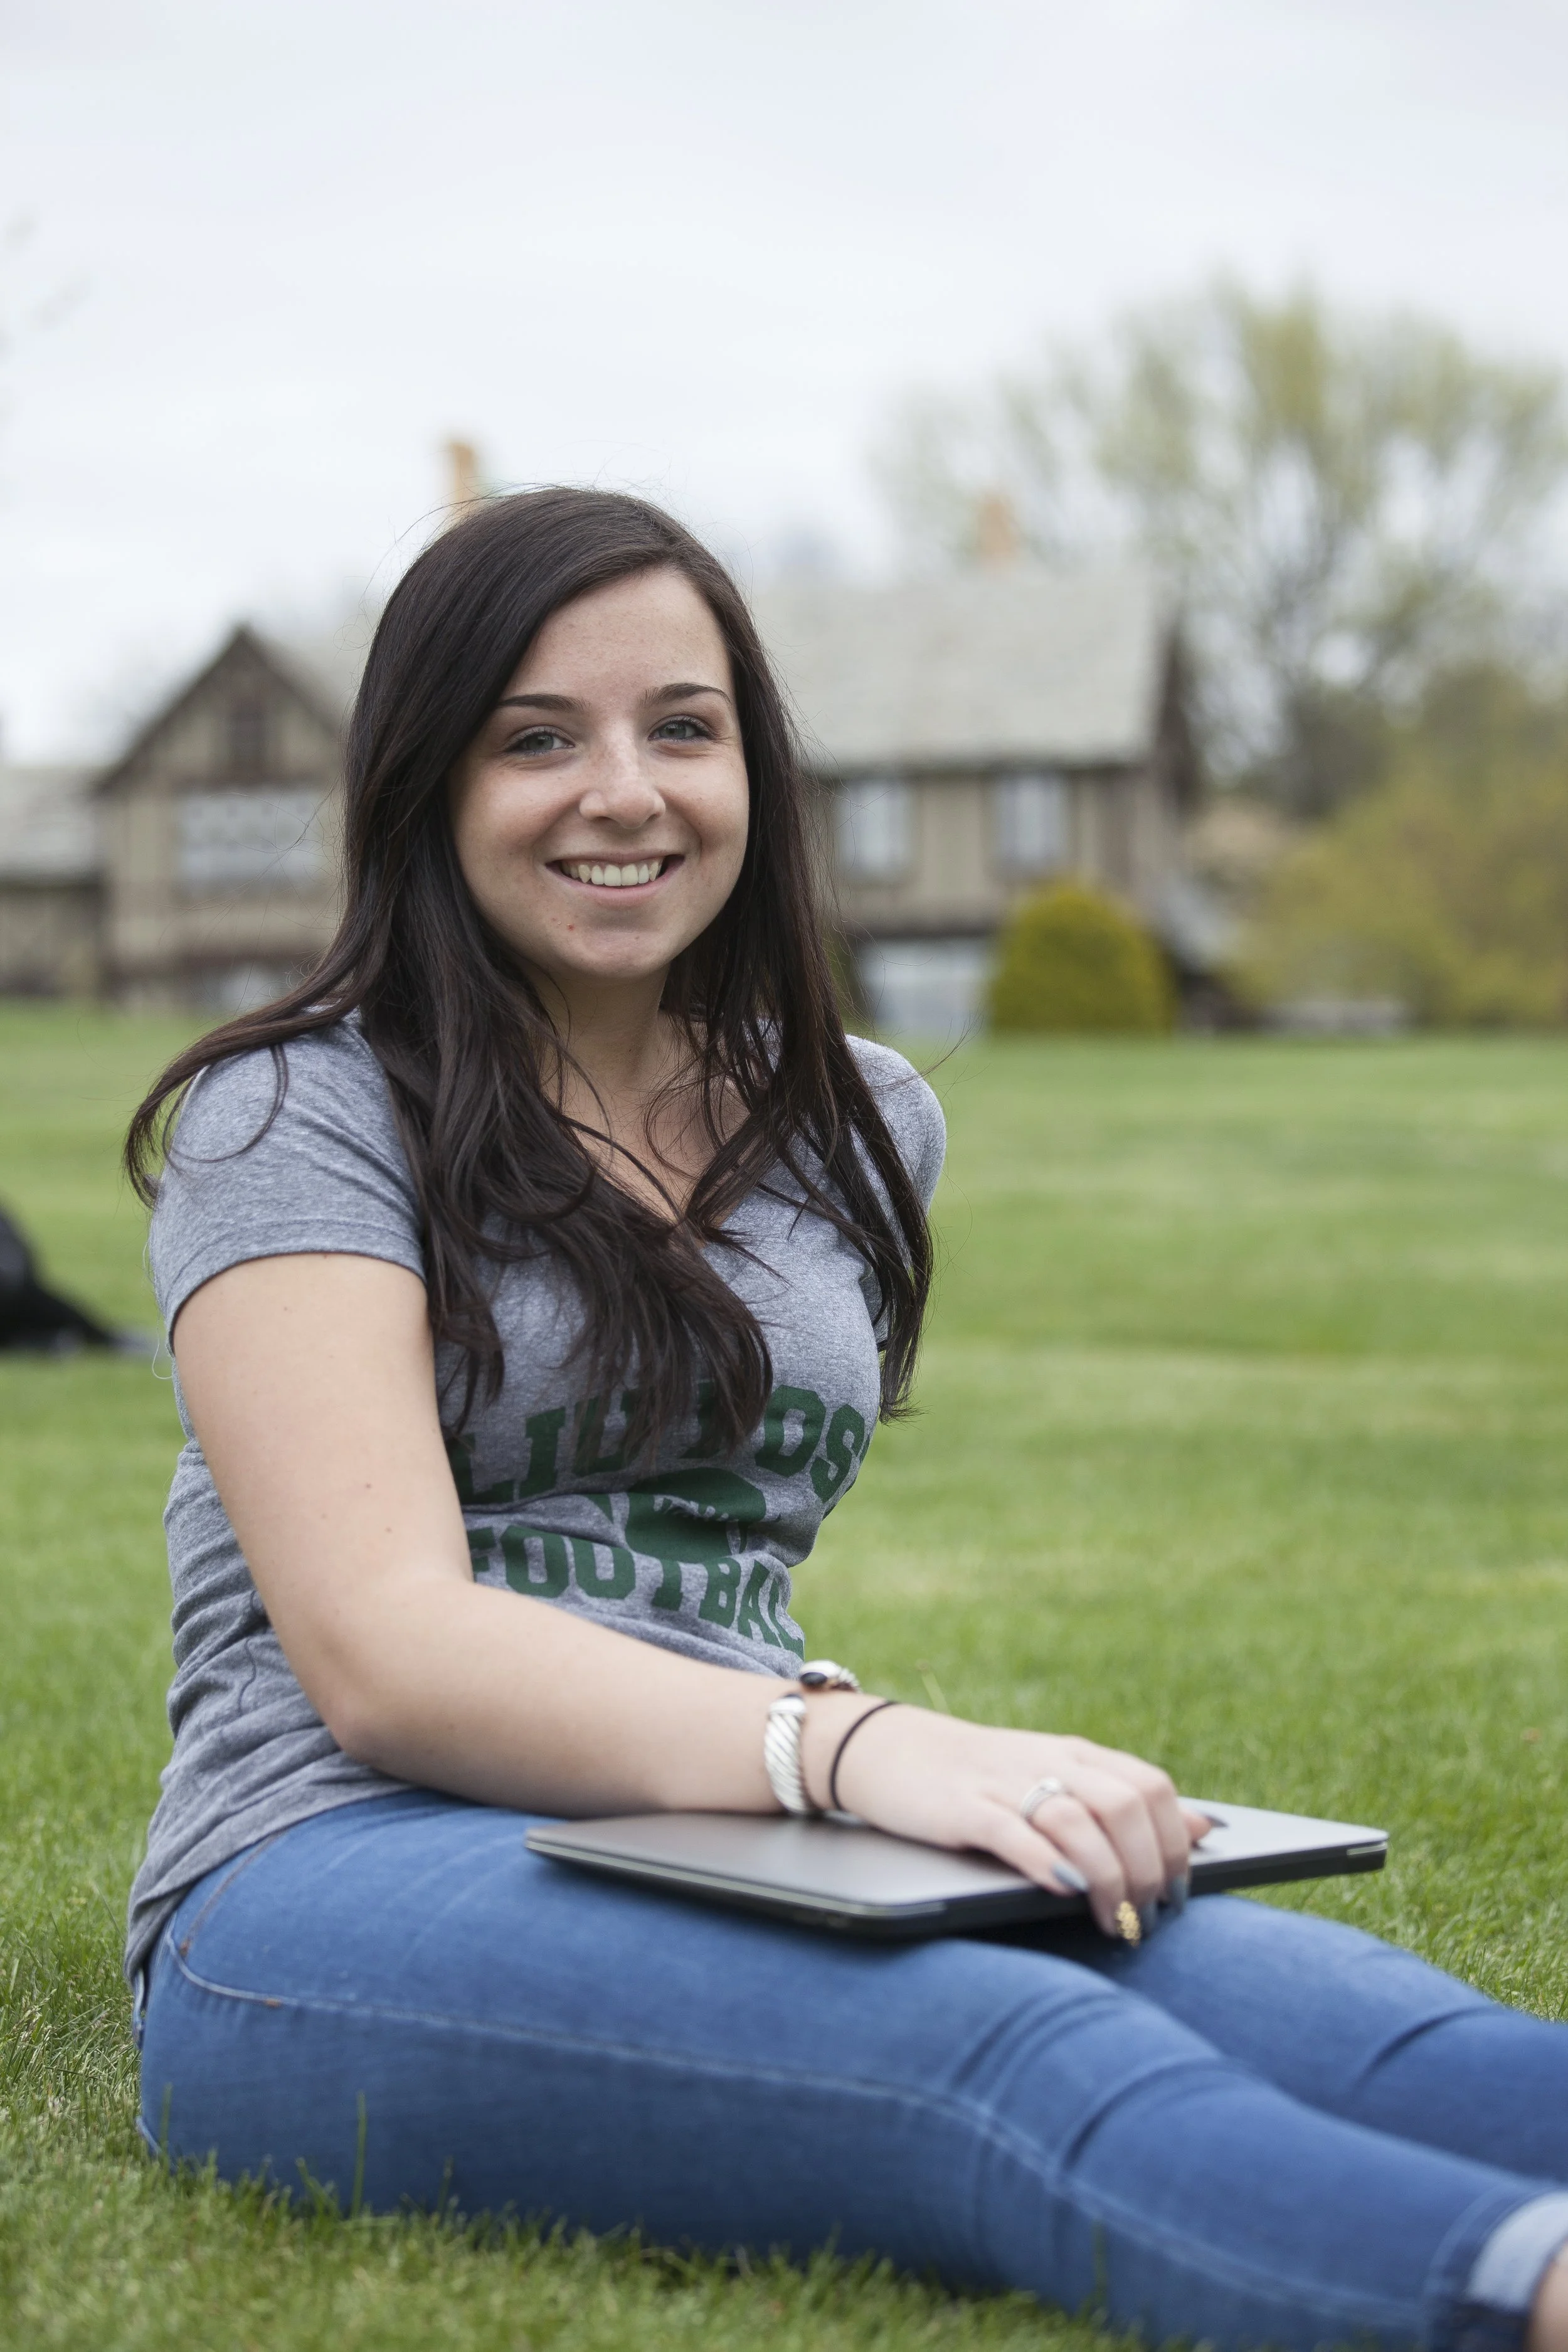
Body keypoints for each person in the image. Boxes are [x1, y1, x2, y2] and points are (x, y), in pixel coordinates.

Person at [127, 488, 1568, 2352]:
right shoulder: (296, 1113)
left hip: (737, 1809)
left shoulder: (857, 1117)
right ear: (425, 784)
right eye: (536, 738)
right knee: (1008, 2044)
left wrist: (854, 1767)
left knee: (1376, 2029)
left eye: (683, 726)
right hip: (324, 1874)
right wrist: (861, 1748)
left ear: (758, 770)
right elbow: (386, 1652)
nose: (624, 790)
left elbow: (707, 1574)